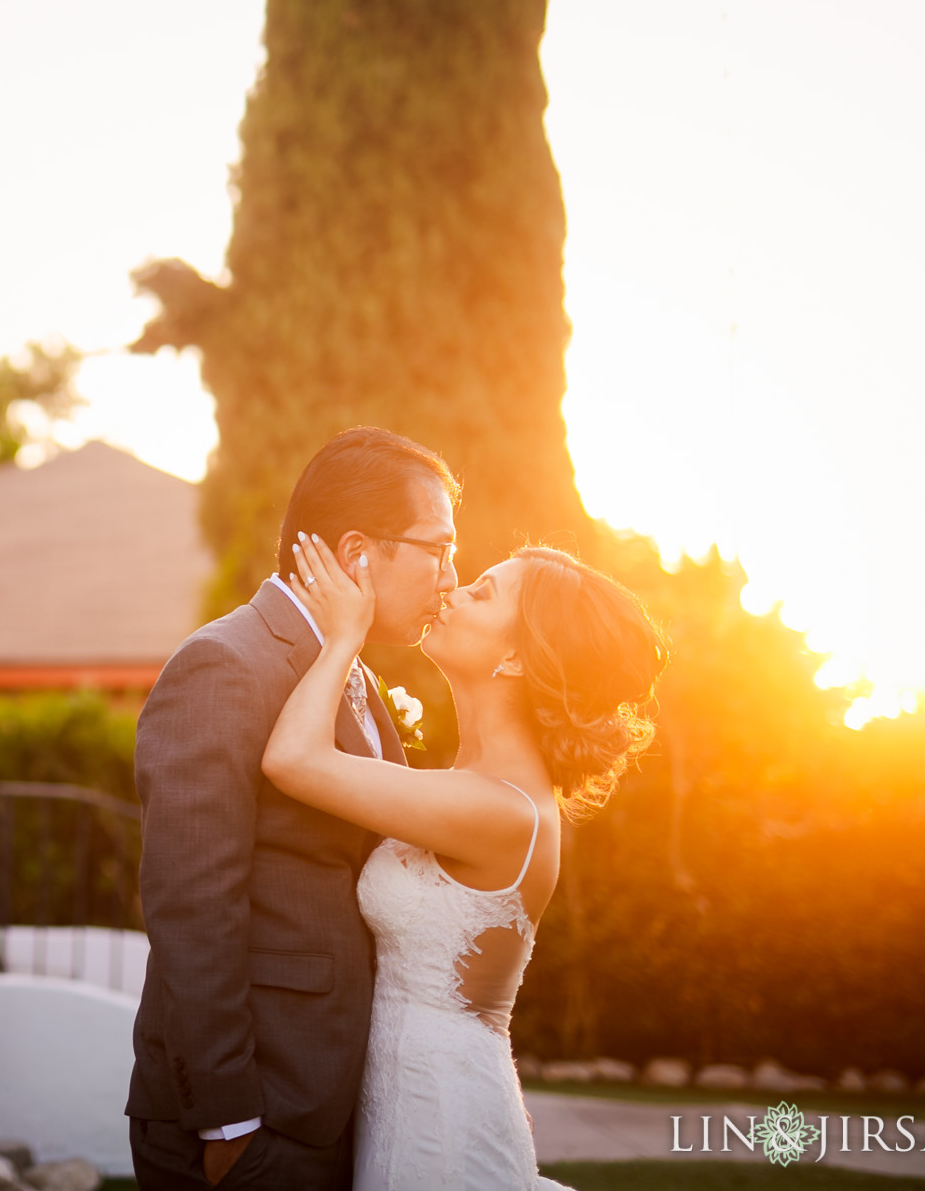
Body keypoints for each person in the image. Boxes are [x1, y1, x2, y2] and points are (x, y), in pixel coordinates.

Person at [263, 531, 667, 1189]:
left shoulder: (504, 809)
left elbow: (292, 760)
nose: (452, 589)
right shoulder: (473, 784)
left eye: (482, 592)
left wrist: (344, 636)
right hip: (407, 1102)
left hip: (441, 1124)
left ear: (515, 656)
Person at [127, 426, 461, 1189]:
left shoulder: (358, 676)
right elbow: (190, 905)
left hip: (326, 1102)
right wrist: (228, 1119)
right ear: (357, 555)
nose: (450, 574)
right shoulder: (224, 664)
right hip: (253, 1115)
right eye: (437, 548)